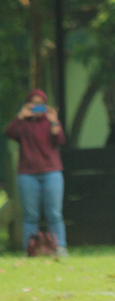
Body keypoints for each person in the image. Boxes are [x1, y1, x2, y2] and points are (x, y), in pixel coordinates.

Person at [4, 89, 68, 257]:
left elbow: (60, 139)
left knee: (54, 213)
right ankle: (30, 249)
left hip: (51, 172)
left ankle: (60, 247)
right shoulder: (23, 124)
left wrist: (54, 122)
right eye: (34, 103)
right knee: (30, 215)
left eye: (41, 104)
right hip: (27, 173)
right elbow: (9, 133)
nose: (37, 107)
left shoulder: (49, 121)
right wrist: (20, 116)